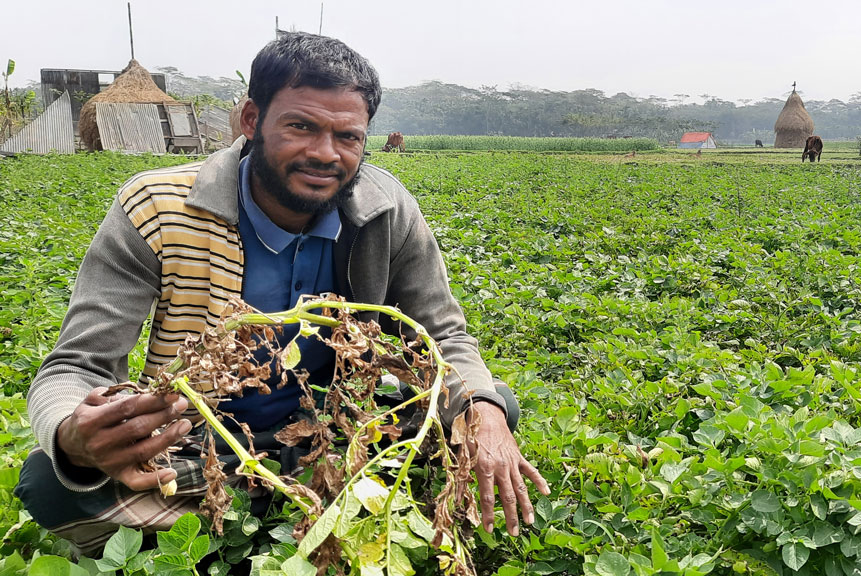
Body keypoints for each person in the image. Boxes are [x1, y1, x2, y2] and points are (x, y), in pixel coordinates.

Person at [16, 32, 548, 556]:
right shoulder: (157, 207)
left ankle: (260, 507)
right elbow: (75, 365)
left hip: (335, 428)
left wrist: (482, 409)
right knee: (52, 481)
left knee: (489, 407)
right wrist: (72, 433)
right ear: (252, 121)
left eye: (348, 137)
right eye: (301, 126)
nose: (325, 154)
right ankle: (303, 503)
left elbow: (443, 334)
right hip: (202, 444)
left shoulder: (386, 210)